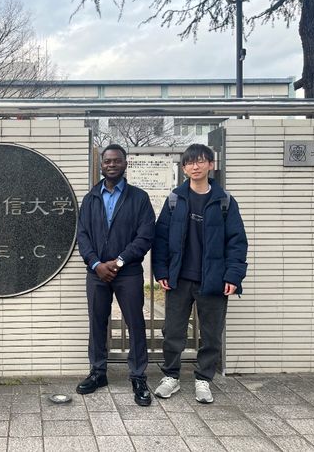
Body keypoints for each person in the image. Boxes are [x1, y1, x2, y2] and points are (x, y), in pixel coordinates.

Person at [152, 143, 248, 404]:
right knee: (173, 331)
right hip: (179, 279)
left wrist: (233, 276)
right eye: (190, 162)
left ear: (211, 165)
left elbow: (237, 242)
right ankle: (171, 376)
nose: (195, 166)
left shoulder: (224, 201)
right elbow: (161, 239)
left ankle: (203, 379)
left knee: (211, 333)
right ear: (184, 168)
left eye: (200, 161)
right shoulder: (175, 199)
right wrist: (161, 271)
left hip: (214, 279)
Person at [76, 144, 155, 406]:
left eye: (116, 161)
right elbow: (82, 235)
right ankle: (98, 372)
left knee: (135, 323)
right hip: (96, 273)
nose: (111, 165)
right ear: (101, 165)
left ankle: (138, 376)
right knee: (97, 322)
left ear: (125, 164)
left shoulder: (139, 198)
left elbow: (145, 235)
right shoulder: (91, 198)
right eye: (107, 161)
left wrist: (119, 262)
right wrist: (96, 264)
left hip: (128, 272)